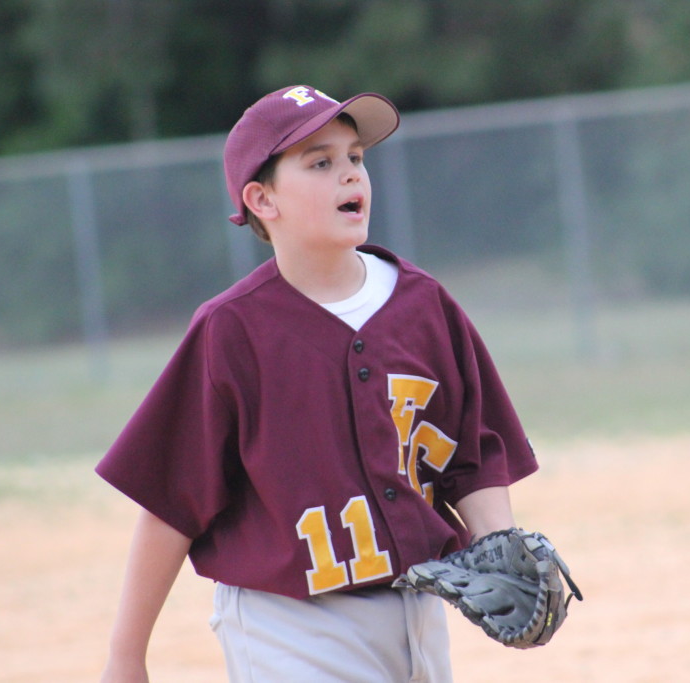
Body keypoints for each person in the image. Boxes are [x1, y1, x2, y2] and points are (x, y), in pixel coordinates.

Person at [96, 84, 540, 682]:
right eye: (320, 163)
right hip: (289, 624)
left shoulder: (424, 305)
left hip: (418, 609)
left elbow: (472, 453)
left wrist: (498, 547)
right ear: (262, 199)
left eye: (355, 157)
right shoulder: (232, 330)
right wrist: (126, 656)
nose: (350, 174)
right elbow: (173, 499)